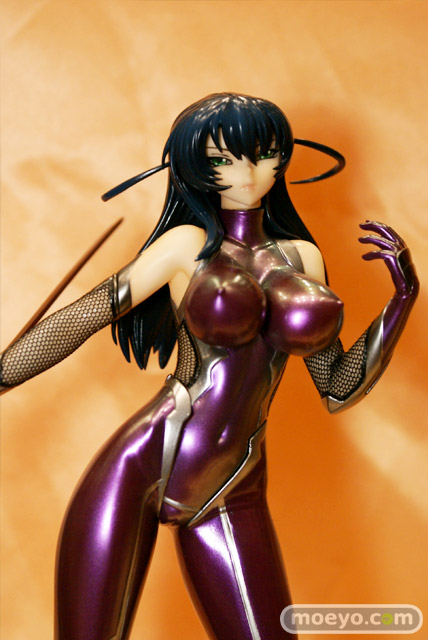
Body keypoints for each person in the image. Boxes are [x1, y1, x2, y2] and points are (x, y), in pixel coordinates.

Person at [0, 93, 418, 640]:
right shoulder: (185, 247)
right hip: (139, 467)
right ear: (198, 167)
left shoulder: (302, 257)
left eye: (262, 154)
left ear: (282, 157)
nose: (246, 173)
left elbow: (337, 387)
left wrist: (402, 300)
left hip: (233, 484)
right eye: (223, 159)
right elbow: (84, 316)